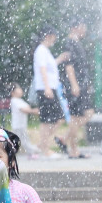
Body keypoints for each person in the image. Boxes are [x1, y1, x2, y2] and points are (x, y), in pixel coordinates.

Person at [63, 19, 95, 159]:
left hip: (81, 85)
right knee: (76, 118)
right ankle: (74, 150)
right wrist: (74, 84)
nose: (85, 30)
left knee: (86, 114)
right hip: (75, 86)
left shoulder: (76, 43)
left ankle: (66, 139)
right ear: (74, 27)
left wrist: (85, 84)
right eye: (83, 27)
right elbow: (69, 66)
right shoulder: (70, 43)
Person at [32, 29, 66, 157]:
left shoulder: (45, 51)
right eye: (54, 37)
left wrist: (59, 59)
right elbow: (42, 69)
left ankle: (42, 144)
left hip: (50, 88)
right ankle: (44, 148)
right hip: (46, 89)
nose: (55, 40)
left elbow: (49, 67)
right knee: (48, 120)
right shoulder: (41, 50)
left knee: (56, 119)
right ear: (48, 36)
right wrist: (47, 88)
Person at [8, 83, 38, 153]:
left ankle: (12, 151)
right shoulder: (14, 100)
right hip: (18, 125)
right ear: (13, 93)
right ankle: (31, 152)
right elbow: (23, 109)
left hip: (21, 125)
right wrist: (33, 111)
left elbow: (27, 108)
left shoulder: (19, 100)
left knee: (19, 140)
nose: (21, 91)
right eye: (18, 90)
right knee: (24, 140)